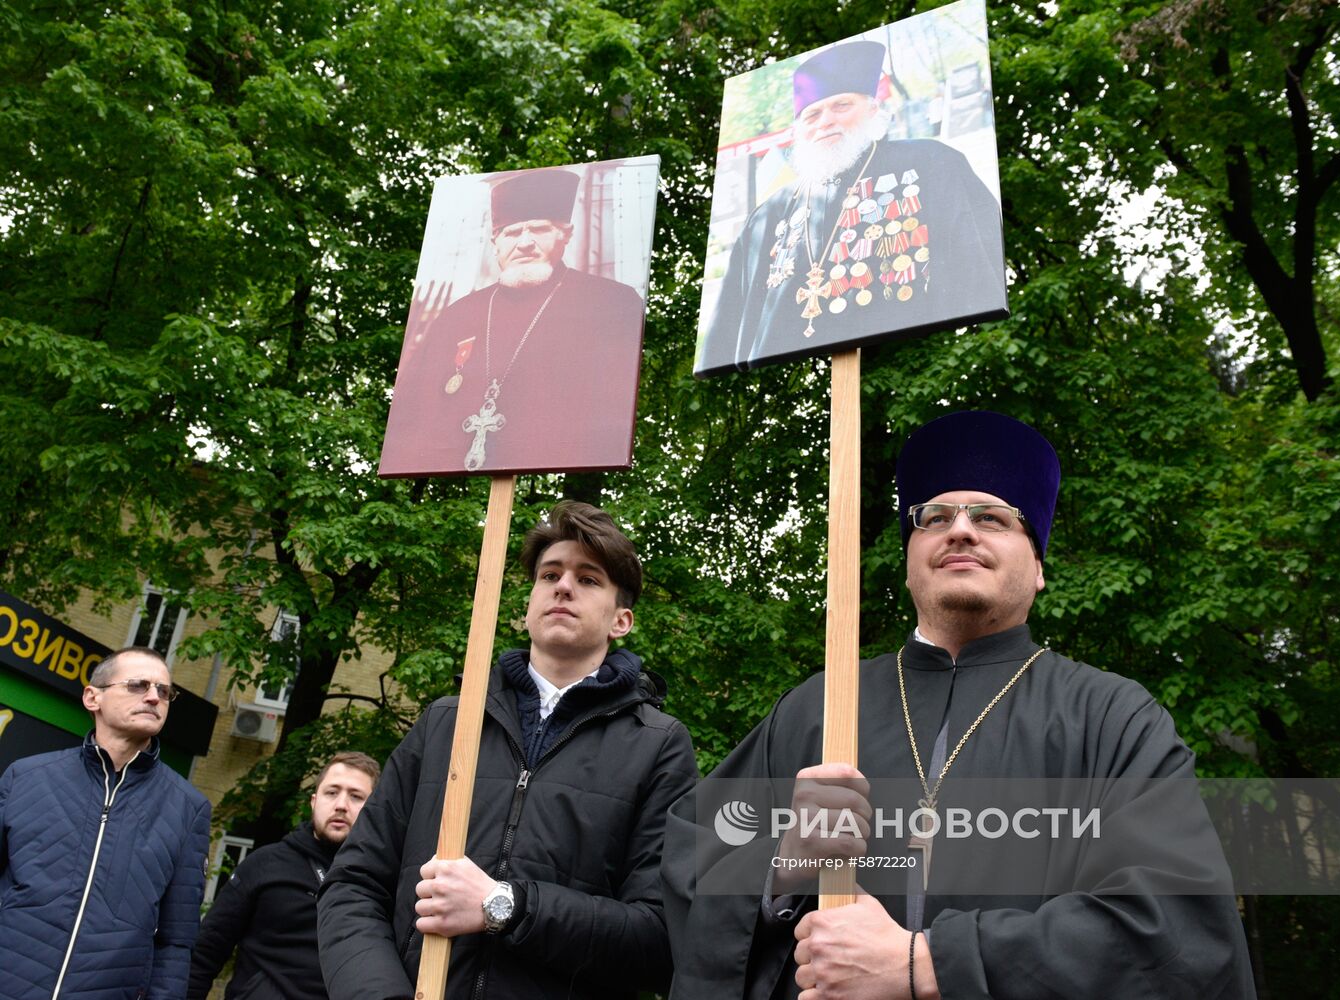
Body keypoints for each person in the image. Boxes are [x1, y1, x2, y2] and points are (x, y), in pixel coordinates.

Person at [663, 411, 1258, 999]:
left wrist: (926, 965)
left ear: (1040, 566)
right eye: (935, 516)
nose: (961, 530)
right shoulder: (818, 708)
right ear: (909, 555)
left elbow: (1174, 927)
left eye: (993, 517)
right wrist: (782, 868)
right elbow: (690, 861)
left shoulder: (1112, 718)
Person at [319, 500, 699, 999]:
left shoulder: (660, 745)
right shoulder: (447, 723)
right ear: (528, 604)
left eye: (588, 580)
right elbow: (353, 886)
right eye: (549, 575)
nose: (563, 585)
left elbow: (660, 937)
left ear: (621, 621)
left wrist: (505, 906)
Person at [698, 40, 1007, 377]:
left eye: (841, 106)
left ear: (873, 110)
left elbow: (975, 275)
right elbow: (731, 333)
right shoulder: (768, 214)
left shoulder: (933, 163)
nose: (825, 121)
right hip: (798, 376)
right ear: (797, 131)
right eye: (812, 114)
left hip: (911, 364)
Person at [379, 169, 647, 477]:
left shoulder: (612, 302)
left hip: (555, 471)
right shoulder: (456, 317)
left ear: (565, 235)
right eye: (511, 232)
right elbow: (415, 417)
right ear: (495, 242)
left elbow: (607, 418)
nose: (525, 242)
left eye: (539, 229)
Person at [0, 646, 211, 1000]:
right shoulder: (25, 778)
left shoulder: (188, 809)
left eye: (164, 691)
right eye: (138, 685)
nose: (154, 697)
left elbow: (177, 941)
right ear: (92, 697)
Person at [186, 751, 381, 1000]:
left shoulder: (382, 880)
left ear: (375, 809)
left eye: (356, 796)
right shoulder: (264, 864)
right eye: (331, 792)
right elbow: (205, 954)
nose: (341, 804)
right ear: (314, 801)